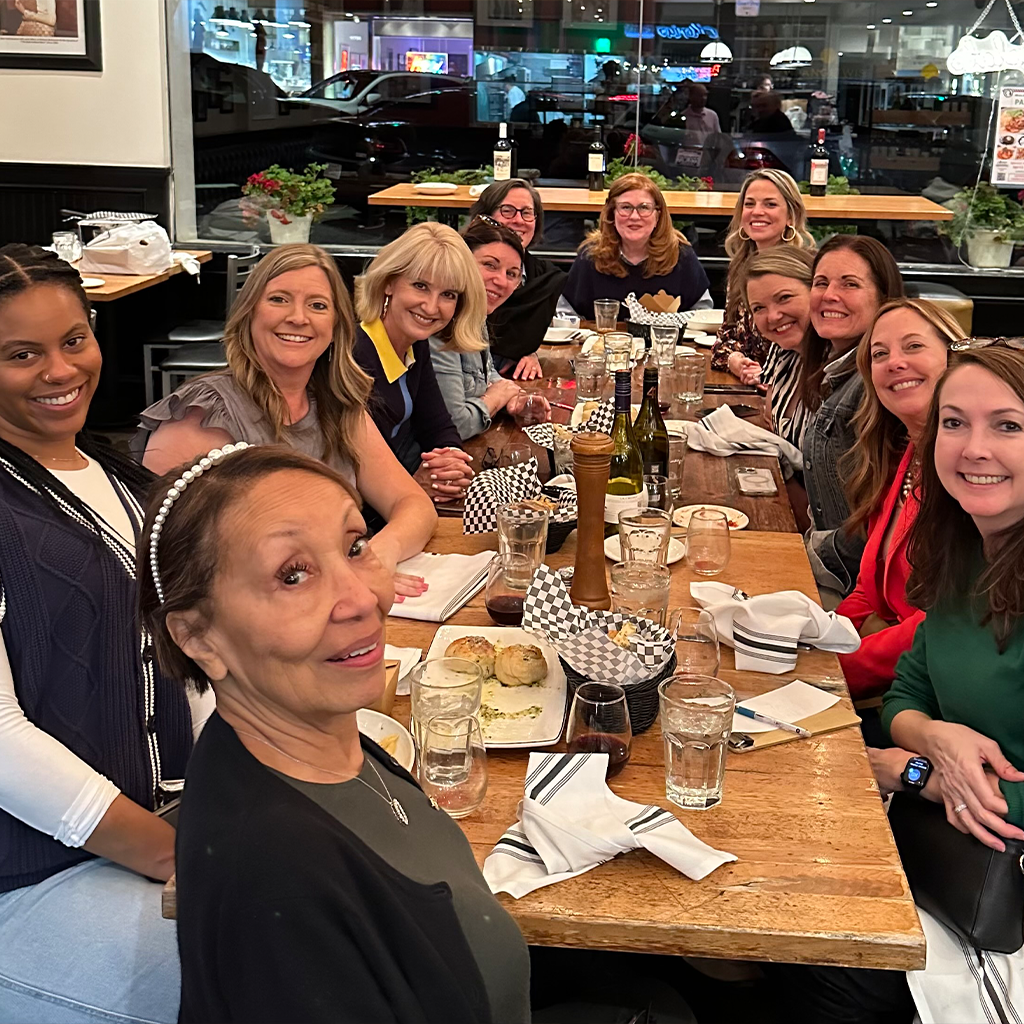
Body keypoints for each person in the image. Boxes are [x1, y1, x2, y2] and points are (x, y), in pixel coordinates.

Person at [138, 444, 532, 1023]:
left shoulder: (329, 744)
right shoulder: (276, 881)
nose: (361, 599)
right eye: (292, 575)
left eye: (355, 547)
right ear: (200, 639)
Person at [0, 244, 200, 1024]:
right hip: (36, 873)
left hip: (165, 826)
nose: (60, 371)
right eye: (22, 354)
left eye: (73, 340)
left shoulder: (122, 480)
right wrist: (167, 852)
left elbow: (185, 666)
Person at [134, 243, 436, 601]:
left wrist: (376, 557)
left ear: (337, 326)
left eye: (318, 305)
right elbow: (159, 565)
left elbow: (415, 506)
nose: (298, 317)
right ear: (248, 313)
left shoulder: (337, 406)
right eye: (279, 299)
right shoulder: (203, 415)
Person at [877, 343, 1024, 1022]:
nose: (974, 448)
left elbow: (897, 755)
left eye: (1008, 426)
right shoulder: (965, 549)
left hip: (1000, 895)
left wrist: (918, 776)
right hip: (945, 847)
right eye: (955, 423)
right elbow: (906, 697)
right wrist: (935, 738)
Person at [837, 299, 964, 708]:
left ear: (955, 358)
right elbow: (867, 591)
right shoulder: (900, 456)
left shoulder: (976, 472)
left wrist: (838, 670)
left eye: (913, 346)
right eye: (880, 354)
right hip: (897, 681)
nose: (895, 363)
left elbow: (944, 624)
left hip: (941, 702)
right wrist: (820, 638)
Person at [802, 235, 905, 600]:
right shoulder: (838, 372)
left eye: (850, 284)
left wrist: (802, 555)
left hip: (851, 587)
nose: (830, 295)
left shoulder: (878, 383)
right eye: (821, 283)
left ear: (884, 299)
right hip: (840, 576)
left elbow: (884, 524)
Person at [353, 222, 483, 505]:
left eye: (448, 294)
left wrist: (451, 465)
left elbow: (438, 428)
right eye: (420, 286)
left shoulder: (416, 343)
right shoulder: (355, 355)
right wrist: (412, 486)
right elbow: (351, 474)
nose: (431, 307)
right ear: (388, 282)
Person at [431, 218, 550, 441]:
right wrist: (495, 399)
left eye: (512, 274)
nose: (501, 281)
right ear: (462, 263)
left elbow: (487, 375)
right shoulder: (439, 326)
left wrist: (516, 399)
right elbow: (454, 425)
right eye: (490, 265)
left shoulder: (475, 317)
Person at [560, 172, 711, 322]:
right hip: (604, 344)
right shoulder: (591, 255)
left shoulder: (680, 254)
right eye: (625, 207)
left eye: (644, 208)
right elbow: (564, 312)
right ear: (612, 214)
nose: (634, 216)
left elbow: (704, 312)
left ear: (657, 215)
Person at [713, 169, 814, 378]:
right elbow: (725, 340)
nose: (757, 212)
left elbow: (815, 348)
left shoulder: (804, 270)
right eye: (750, 204)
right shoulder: (741, 267)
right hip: (752, 391)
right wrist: (736, 362)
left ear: (791, 216)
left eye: (770, 204)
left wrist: (768, 374)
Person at [467, 178, 566, 380]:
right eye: (507, 210)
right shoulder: (461, 268)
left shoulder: (546, 278)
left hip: (512, 380)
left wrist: (531, 351)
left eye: (527, 212)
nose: (519, 220)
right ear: (484, 216)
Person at [741, 246, 815, 454]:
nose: (772, 317)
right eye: (759, 308)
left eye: (784, 298)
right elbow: (770, 418)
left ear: (816, 291)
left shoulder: (841, 368)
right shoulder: (783, 349)